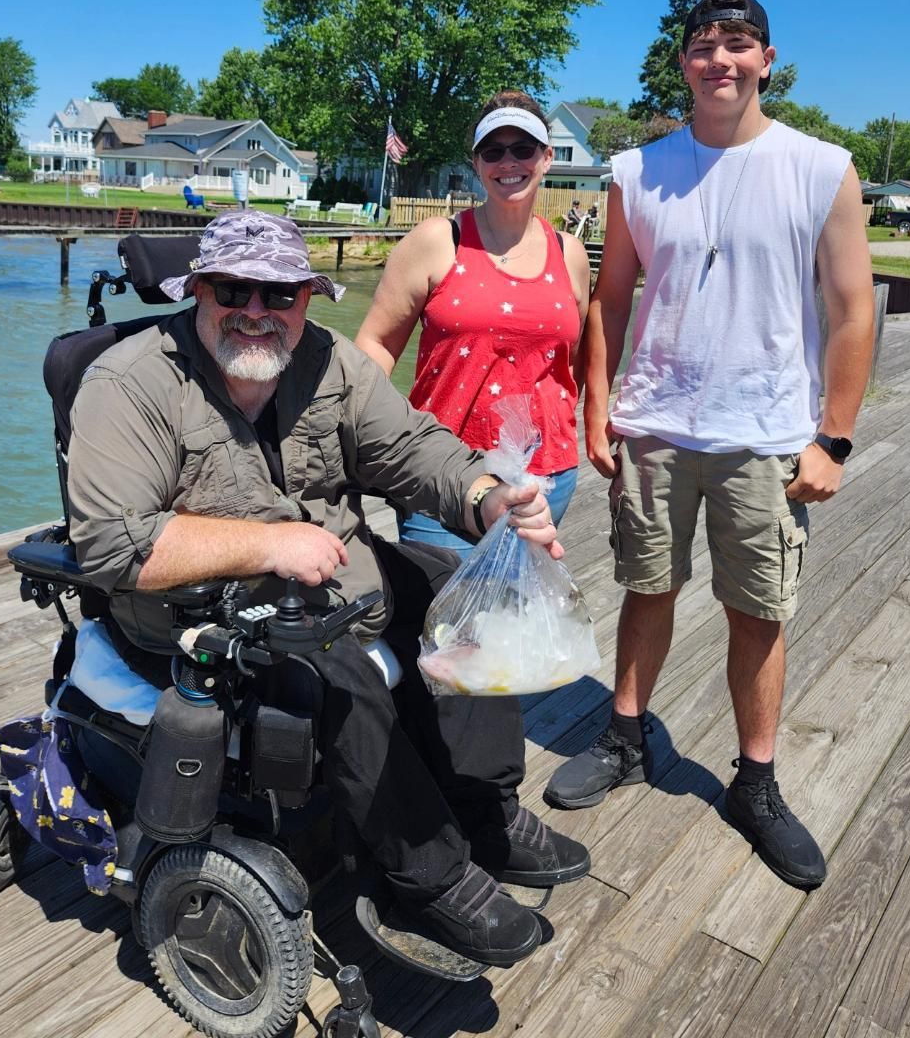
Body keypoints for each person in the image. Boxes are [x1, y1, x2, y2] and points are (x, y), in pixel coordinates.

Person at [66, 211, 590, 968]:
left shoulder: (331, 361)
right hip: (203, 619)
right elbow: (111, 545)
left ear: (308, 299)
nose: (255, 311)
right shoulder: (130, 383)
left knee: (468, 593)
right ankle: (430, 871)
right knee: (334, 673)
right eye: (233, 290)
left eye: (278, 295)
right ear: (198, 290)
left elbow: (411, 449)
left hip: (341, 583)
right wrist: (266, 542)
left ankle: (485, 810)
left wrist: (487, 499)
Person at [544, 0, 875, 891]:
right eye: (702, 45)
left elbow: (852, 310)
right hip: (655, 424)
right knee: (646, 588)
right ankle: (624, 734)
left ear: (767, 59)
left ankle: (756, 783)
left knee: (757, 613)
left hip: (767, 437)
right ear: (683, 63)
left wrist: (832, 440)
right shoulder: (637, 171)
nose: (719, 59)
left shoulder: (821, 167)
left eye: (737, 44)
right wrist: (597, 408)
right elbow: (609, 301)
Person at [356, 91, 592, 552]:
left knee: (511, 613)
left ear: (546, 158)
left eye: (523, 149)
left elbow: (571, 362)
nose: (509, 161)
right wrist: (366, 438)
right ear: (477, 162)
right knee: (445, 615)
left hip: (546, 478)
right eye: (494, 150)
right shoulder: (437, 240)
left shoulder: (571, 253)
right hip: (443, 474)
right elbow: (376, 346)